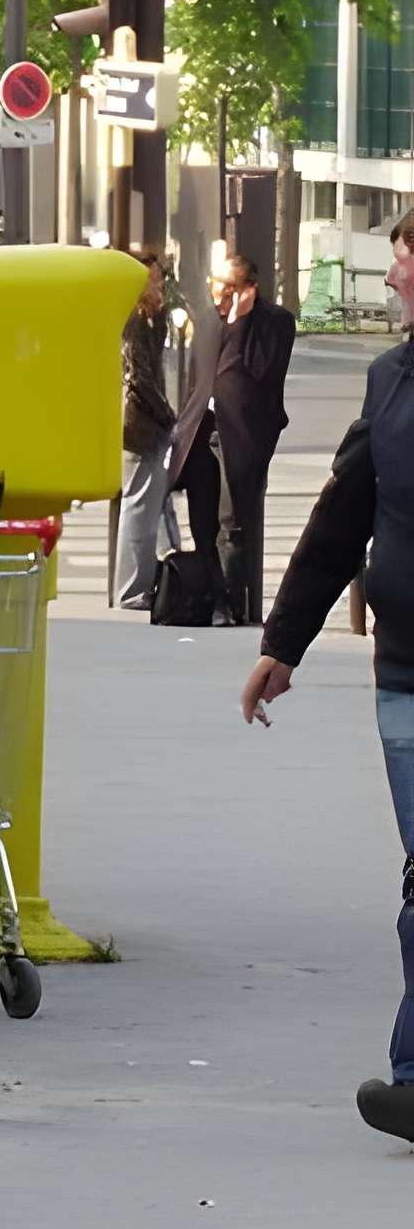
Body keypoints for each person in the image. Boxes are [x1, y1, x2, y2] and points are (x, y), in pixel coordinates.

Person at [238, 206, 414, 1146]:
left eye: (401, 265)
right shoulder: (389, 384)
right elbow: (344, 516)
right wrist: (285, 642)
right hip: (408, 678)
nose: (389, 282)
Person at [170, 248, 294, 626]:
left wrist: (240, 322)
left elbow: (254, 374)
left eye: (224, 286)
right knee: (201, 519)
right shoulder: (206, 321)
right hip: (200, 432)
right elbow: (198, 380)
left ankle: (229, 603)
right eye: (213, 284)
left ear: (248, 289)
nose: (216, 293)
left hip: (239, 434)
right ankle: (213, 595)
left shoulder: (275, 324)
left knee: (231, 520)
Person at [115, 251, 175, 611]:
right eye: (154, 278)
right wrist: (167, 414)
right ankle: (132, 589)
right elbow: (139, 375)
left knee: (148, 507)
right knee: (138, 507)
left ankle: (142, 583)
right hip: (140, 425)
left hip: (147, 423)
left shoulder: (153, 319)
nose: (159, 284)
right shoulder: (135, 320)